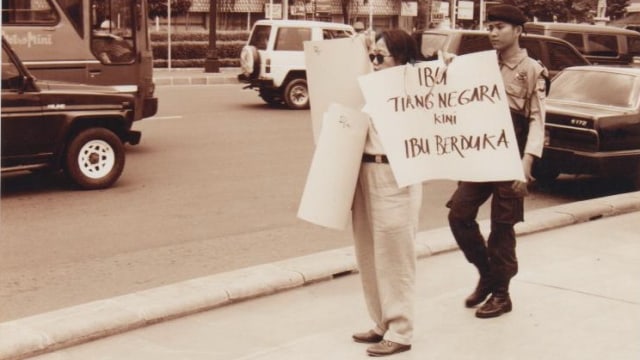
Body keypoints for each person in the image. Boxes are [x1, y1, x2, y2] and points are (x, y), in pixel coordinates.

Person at [446, 4, 547, 319]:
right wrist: (446, 67)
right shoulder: (480, 65)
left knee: (502, 228)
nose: (492, 32)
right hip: (482, 154)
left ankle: (502, 294)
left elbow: (537, 120)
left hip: (511, 158)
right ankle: (487, 273)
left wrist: (527, 162)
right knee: (459, 214)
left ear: (518, 30)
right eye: (489, 27)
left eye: (499, 26)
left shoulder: (531, 70)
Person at [351, 29, 422, 357]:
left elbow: (444, 82)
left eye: (381, 57)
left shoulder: (416, 86)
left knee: (395, 255)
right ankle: (381, 321)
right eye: (372, 56)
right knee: (369, 251)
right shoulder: (370, 85)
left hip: (396, 176)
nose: (375, 62)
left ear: (402, 58)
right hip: (364, 172)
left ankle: (401, 330)